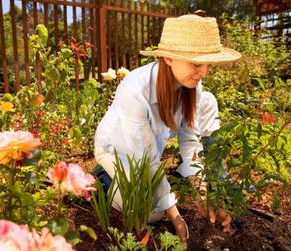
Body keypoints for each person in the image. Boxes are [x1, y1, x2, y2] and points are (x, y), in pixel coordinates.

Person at [93, 14, 241, 244]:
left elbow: (190, 141)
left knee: (157, 204)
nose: (204, 72)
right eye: (196, 63)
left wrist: (202, 194)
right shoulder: (135, 89)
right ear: (169, 58)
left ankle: (125, 185)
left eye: (207, 64)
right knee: (150, 213)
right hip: (115, 150)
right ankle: (103, 177)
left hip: (143, 157)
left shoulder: (191, 88)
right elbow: (146, 157)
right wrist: (175, 214)